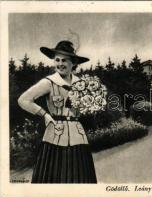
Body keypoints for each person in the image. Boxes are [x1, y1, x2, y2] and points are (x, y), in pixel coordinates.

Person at [18, 40, 97, 183]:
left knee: (80, 178)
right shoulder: (48, 82)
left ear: (73, 63)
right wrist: (44, 114)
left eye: (64, 60)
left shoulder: (82, 83)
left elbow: (85, 107)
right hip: (54, 136)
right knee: (52, 177)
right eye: (57, 60)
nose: (60, 64)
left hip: (78, 137)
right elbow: (23, 100)